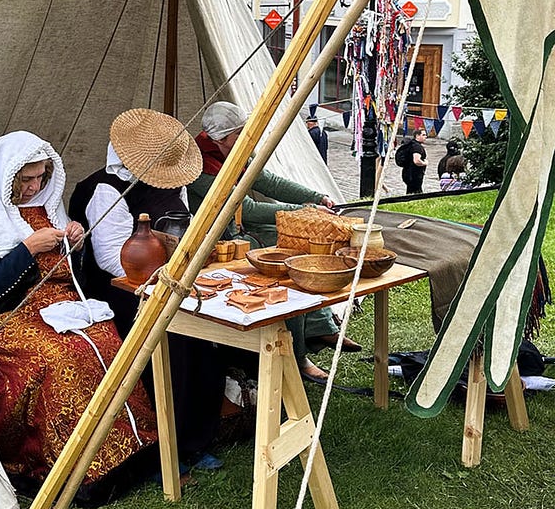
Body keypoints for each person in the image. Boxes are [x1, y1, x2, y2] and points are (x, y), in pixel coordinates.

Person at [0, 131, 158, 498]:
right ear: (4, 175)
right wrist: (26, 250)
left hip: (55, 306)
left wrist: (75, 244)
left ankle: (130, 453)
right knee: (59, 359)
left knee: (107, 341)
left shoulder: (44, 205)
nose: (33, 187)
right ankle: (67, 470)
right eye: (25, 179)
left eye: (40, 177)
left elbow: (66, 273)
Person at [66, 109, 227, 471]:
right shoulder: (104, 189)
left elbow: (183, 227)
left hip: (169, 277)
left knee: (209, 330)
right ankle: (169, 443)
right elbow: (111, 258)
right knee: (173, 337)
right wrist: (161, 277)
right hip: (121, 288)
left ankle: (198, 437)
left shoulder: (174, 181)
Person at [185, 100, 357, 371]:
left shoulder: (235, 152)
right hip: (219, 242)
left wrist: (315, 197)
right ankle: (298, 357)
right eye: (238, 133)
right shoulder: (199, 168)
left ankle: (322, 326)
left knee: (299, 253)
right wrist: (302, 210)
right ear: (219, 138)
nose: (245, 137)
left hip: (242, 231)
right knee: (282, 271)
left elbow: (268, 183)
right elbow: (247, 208)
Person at [397, 128, 428, 193]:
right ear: (417, 136)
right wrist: (424, 163)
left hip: (407, 172)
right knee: (416, 192)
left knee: (410, 191)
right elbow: (416, 161)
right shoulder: (417, 147)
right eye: (423, 135)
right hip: (414, 174)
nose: (426, 137)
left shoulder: (411, 144)